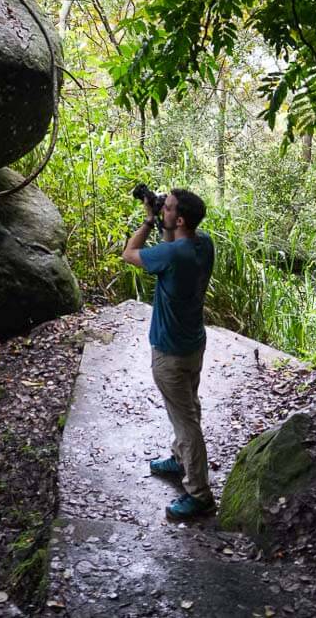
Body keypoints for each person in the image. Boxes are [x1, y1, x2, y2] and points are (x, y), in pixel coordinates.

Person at [121, 188, 216, 520]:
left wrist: (149, 220)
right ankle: (179, 461)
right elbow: (172, 246)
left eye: (168, 208)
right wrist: (166, 221)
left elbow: (129, 253)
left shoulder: (173, 255)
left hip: (170, 354)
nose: (163, 208)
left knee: (186, 421)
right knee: (189, 406)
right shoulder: (202, 244)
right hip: (193, 345)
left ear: (180, 219)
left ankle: (199, 494)